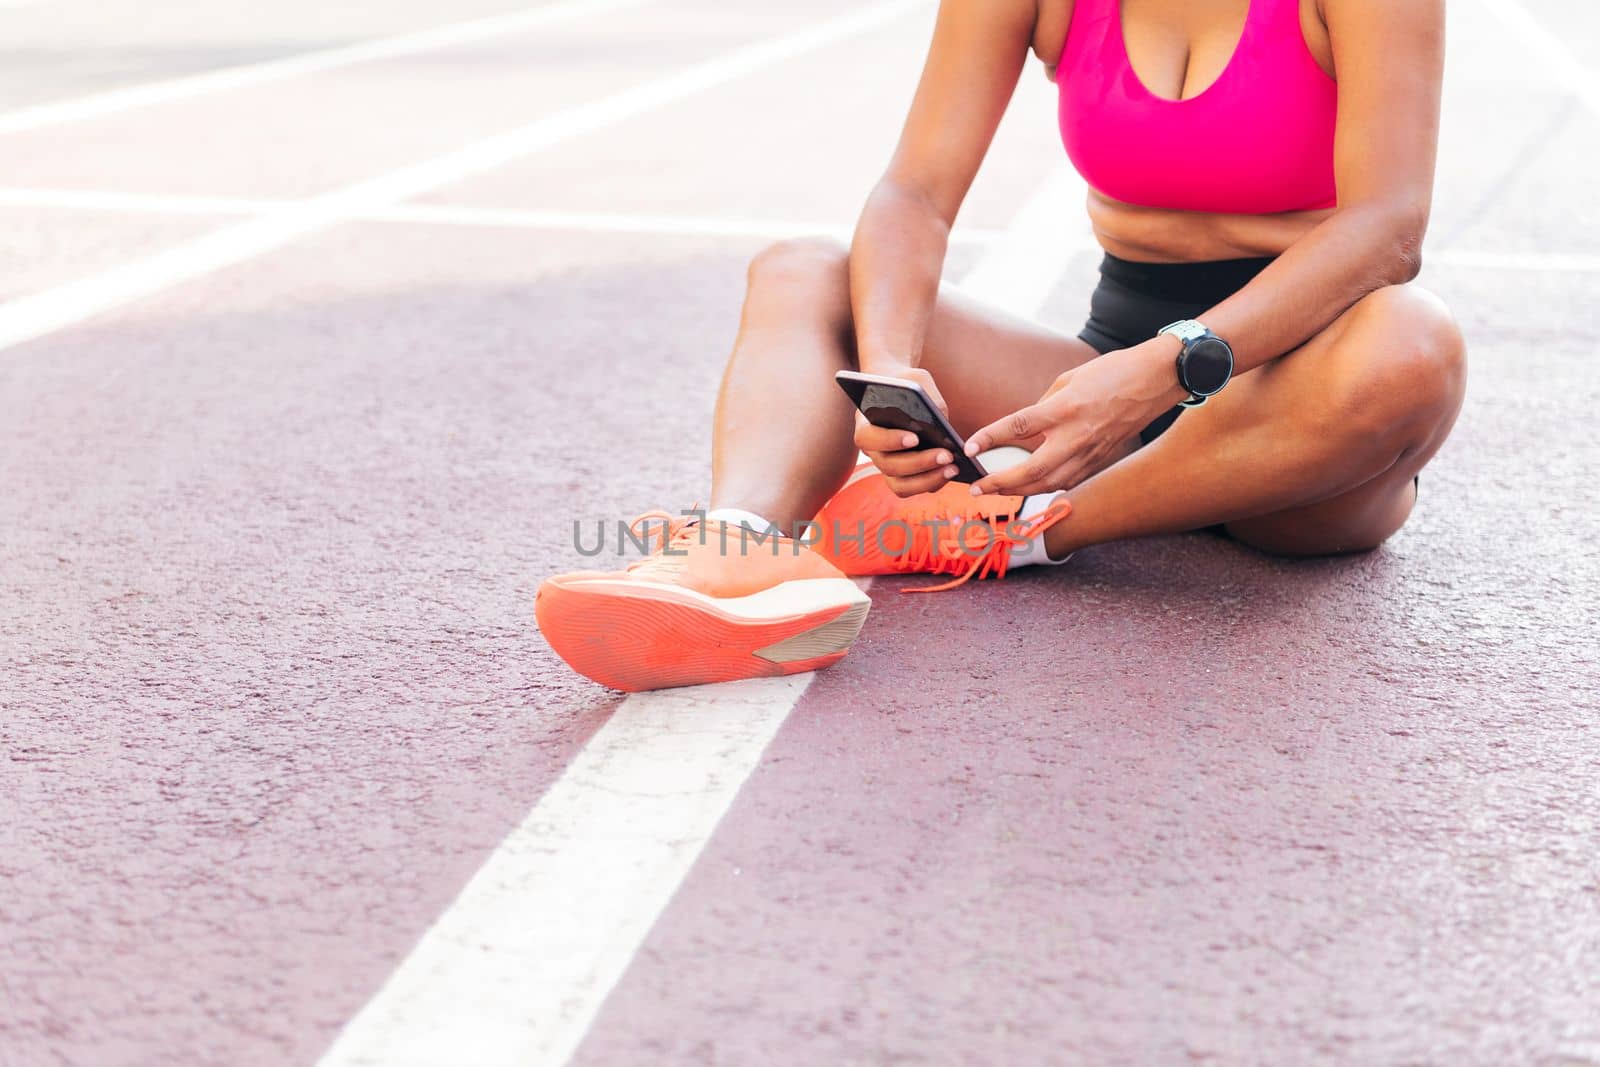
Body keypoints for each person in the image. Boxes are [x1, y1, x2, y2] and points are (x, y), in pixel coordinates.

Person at [536, 0, 1465, 693]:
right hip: (1098, 378)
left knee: (1413, 344)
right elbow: (915, 193)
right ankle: (740, 548)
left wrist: (1164, 371)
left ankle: (1016, 531)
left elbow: (1389, 227)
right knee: (806, 271)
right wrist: (890, 364)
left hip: (1297, 420)